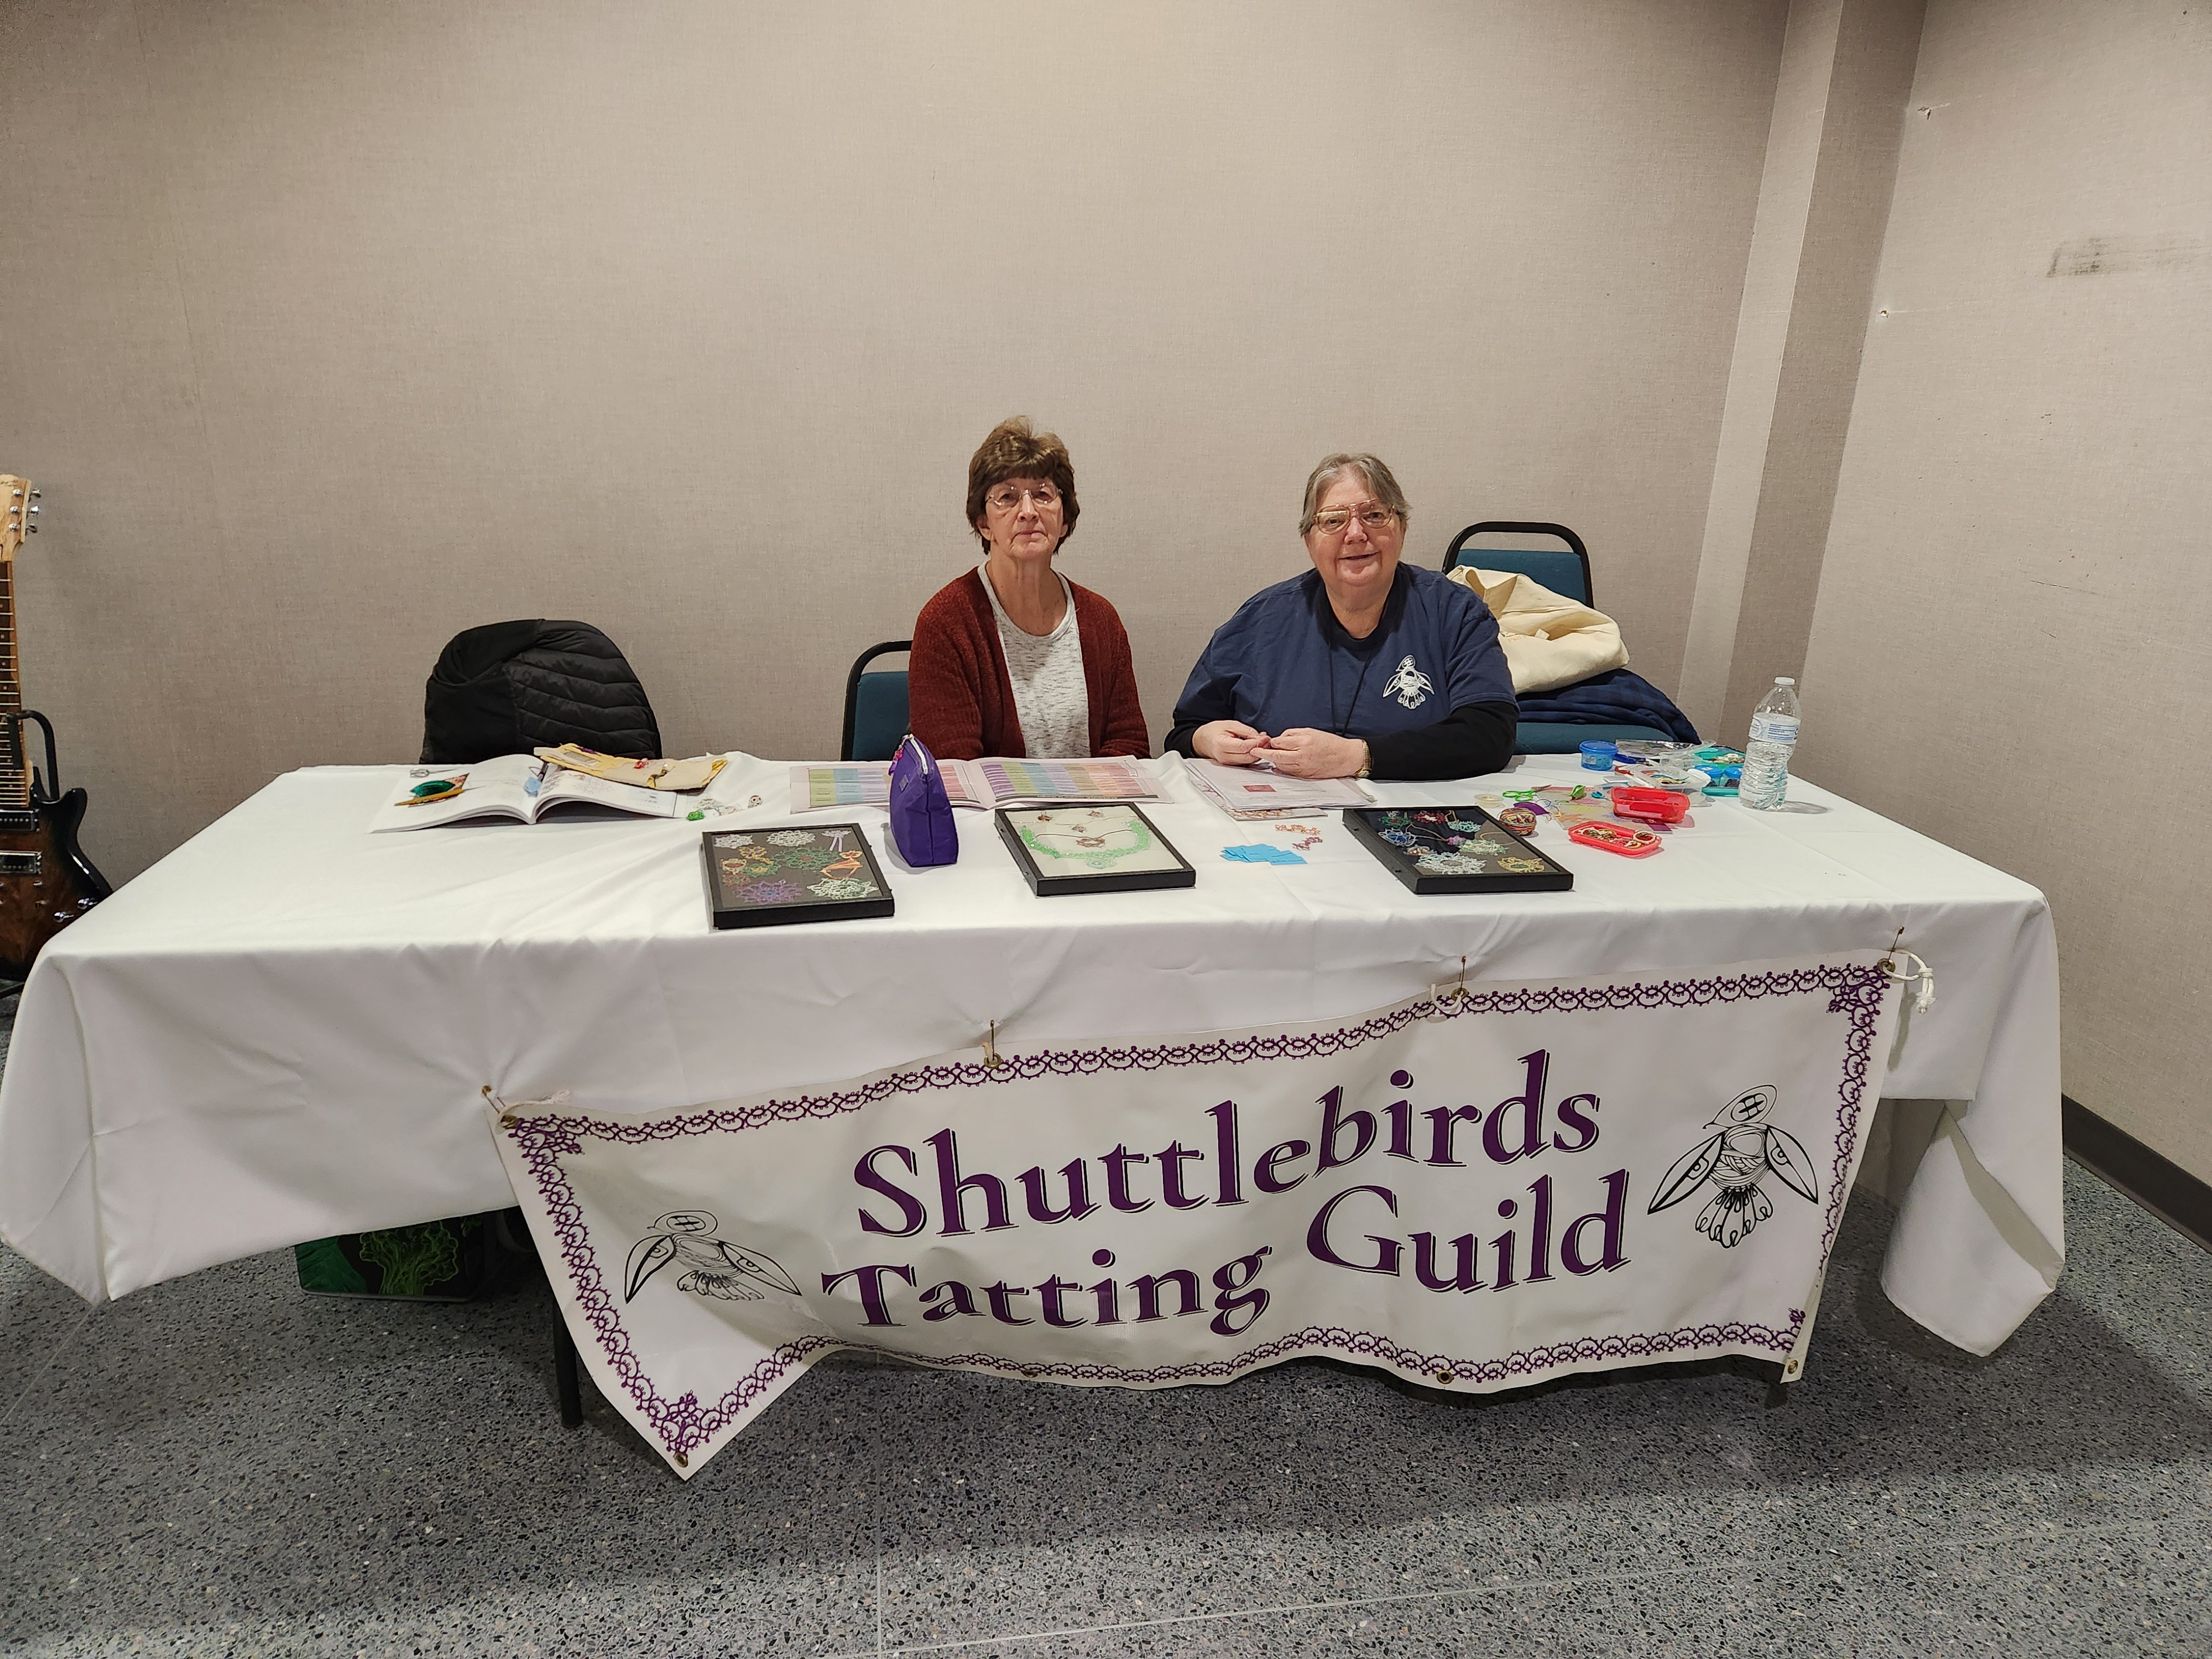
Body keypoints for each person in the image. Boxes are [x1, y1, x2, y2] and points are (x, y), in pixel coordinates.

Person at [1165, 454, 1517, 780]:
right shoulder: (1260, 620)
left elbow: (1491, 734)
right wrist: (1205, 739)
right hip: (1281, 827)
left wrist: (1359, 756)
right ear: (1309, 541)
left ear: (1403, 528)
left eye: (1374, 516)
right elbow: (1183, 732)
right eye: (1333, 521)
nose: (1356, 534)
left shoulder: (1454, 612)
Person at [908, 418, 1150, 760]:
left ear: (1064, 520)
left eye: (1042, 495)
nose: (1028, 512)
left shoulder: (1101, 620)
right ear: (983, 523)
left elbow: (1131, 747)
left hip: (1094, 810)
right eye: (1007, 497)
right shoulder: (946, 622)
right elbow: (955, 770)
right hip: (993, 813)